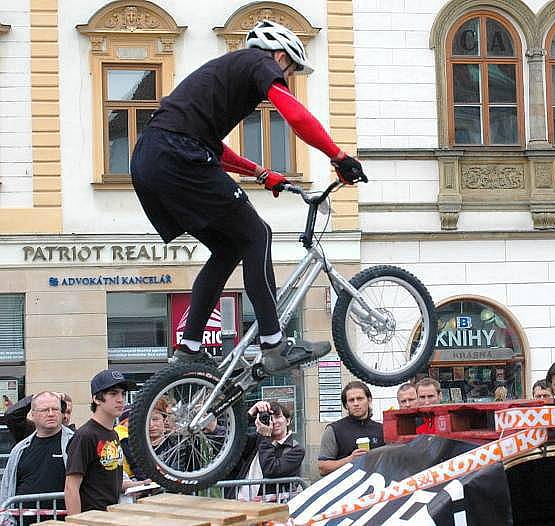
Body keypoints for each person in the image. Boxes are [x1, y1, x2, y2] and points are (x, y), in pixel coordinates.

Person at [130, 19, 366, 374]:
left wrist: (259, 172)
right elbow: (296, 116)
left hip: (151, 160)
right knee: (259, 234)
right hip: (179, 155)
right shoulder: (259, 63)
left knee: (228, 249)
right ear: (277, 54)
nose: (285, 76)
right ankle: (273, 343)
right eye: (289, 67)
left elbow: (211, 148)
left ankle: (190, 347)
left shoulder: (225, 81)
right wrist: (339, 156)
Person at [65, 369, 137, 515]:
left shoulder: (114, 433)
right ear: (97, 399)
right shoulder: (85, 435)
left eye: (123, 393)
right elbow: (71, 487)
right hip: (91, 517)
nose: (120, 399)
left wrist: (139, 485)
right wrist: (76, 523)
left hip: (110, 516)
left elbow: (105, 478)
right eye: (113, 393)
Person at [0, 392, 74, 525]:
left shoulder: (75, 443)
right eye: (45, 410)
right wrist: (35, 397)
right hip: (23, 522)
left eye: (55, 409)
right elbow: (6, 488)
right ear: (33, 414)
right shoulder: (21, 448)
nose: (51, 413)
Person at [229, 400, 304, 500]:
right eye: (269, 418)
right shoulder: (258, 439)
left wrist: (265, 437)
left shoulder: (296, 450)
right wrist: (251, 413)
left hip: (268, 508)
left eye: (278, 417)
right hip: (240, 501)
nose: (273, 422)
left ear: (288, 420)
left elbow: (271, 470)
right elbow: (233, 439)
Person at [318, 381, 383, 476]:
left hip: (376, 486)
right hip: (347, 488)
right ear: (346, 405)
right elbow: (322, 468)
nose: (356, 403)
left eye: (360, 399)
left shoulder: (381, 429)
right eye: (351, 400)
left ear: (369, 400)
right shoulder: (334, 430)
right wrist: (350, 460)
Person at [2, 392, 74, 443]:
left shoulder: (76, 438)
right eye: (46, 410)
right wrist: (35, 398)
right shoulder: (31, 430)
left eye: (68, 412)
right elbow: (11, 415)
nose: (65, 416)